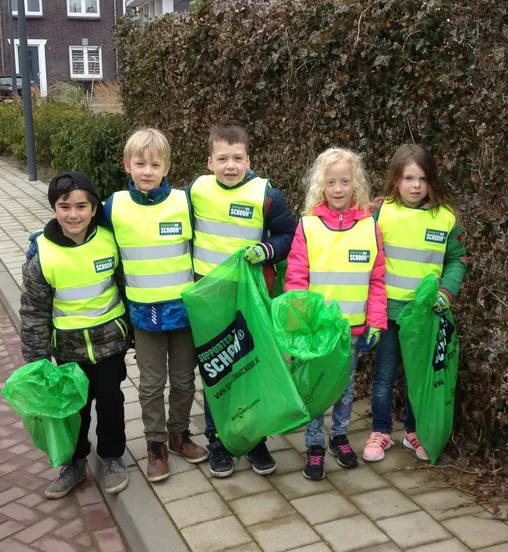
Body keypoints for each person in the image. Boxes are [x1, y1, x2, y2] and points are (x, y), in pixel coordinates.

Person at [187, 123, 298, 478]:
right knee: (215, 368)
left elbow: (289, 235)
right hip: (210, 299)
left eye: (238, 158)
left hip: (250, 298)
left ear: (249, 159)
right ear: (209, 162)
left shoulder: (267, 195)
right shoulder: (196, 192)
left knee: (252, 364)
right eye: (222, 158)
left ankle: (254, 438)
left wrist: (267, 250)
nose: (230, 165)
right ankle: (218, 440)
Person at [104, 129, 208, 482]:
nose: (147, 171)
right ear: (126, 165)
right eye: (139, 163)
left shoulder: (184, 202)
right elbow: (85, 232)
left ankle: (179, 435)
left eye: (155, 164)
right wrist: (45, 237)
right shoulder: (114, 205)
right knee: (150, 384)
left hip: (183, 312)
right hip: (144, 314)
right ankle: (156, 444)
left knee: (182, 381)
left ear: (167, 167)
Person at [20, 171, 131, 499]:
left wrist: (134, 333)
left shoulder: (111, 242)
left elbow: (126, 288)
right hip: (67, 351)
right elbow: (34, 311)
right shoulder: (42, 254)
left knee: (111, 400)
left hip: (110, 344)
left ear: (94, 208)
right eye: (64, 206)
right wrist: (37, 360)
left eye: (82, 206)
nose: (73, 214)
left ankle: (112, 457)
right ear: (54, 208)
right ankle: (75, 462)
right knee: (75, 408)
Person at [284, 148, 387, 480]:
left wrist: (376, 320)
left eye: (345, 181)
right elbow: (296, 280)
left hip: (352, 330)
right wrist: (299, 325)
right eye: (332, 182)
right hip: (317, 333)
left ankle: (339, 437)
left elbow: (376, 278)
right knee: (315, 388)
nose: (339, 189)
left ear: (355, 184)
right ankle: (314, 444)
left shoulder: (370, 227)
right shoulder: (308, 226)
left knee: (344, 388)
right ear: (321, 186)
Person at [364, 144, 467, 463]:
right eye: (408, 178)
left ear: (431, 181)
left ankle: (413, 432)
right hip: (390, 312)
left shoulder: (447, 217)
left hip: (425, 317)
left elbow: (457, 260)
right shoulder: (381, 213)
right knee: (384, 375)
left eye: (422, 178)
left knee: (418, 377)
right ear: (396, 179)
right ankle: (380, 432)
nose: (415, 185)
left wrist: (446, 293)